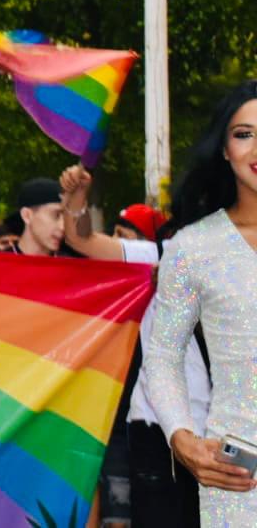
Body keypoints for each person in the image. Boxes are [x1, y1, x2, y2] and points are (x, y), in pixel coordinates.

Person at [60, 164, 203, 528]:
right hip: (158, 433)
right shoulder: (163, 253)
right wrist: (77, 199)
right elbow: (82, 241)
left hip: (231, 433)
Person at [144, 80, 257, 525]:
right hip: (238, 478)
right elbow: (164, 354)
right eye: (243, 133)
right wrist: (181, 437)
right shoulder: (192, 248)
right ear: (224, 149)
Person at [13, 178, 66, 255]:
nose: (63, 227)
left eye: (66, 218)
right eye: (56, 215)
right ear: (27, 216)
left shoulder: (70, 264)